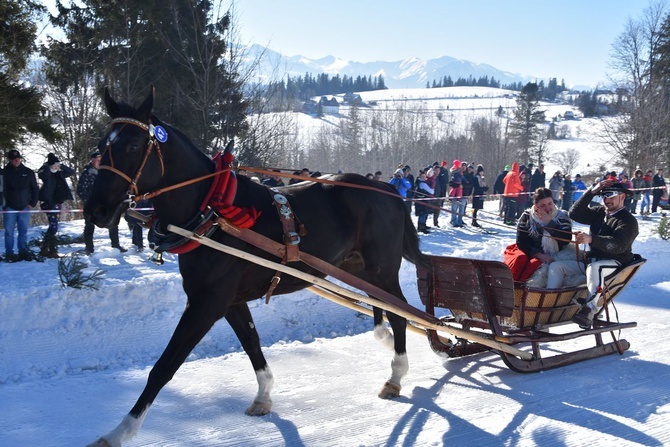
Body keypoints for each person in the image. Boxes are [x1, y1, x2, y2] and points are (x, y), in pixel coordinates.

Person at [547, 180, 639, 329]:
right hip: (591, 262)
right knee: (556, 267)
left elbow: (618, 245)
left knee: (595, 268)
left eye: (610, 195)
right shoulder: (599, 213)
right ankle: (550, 305)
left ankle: (589, 309)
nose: (606, 200)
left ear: (622, 196)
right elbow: (575, 213)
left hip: (614, 263)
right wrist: (592, 192)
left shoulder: (629, 221)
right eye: (603, 196)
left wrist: (592, 239)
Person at [505, 188, 573, 282]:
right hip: (532, 252)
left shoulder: (562, 216)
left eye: (550, 203)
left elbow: (566, 239)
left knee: (539, 266)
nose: (548, 208)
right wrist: (538, 254)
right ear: (536, 205)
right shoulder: (527, 216)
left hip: (557, 254)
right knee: (522, 262)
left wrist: (549, 223)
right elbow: (521, 241)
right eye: (543, 205)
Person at [77, 151, 127, 254]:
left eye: (101, 159)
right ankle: (89, 248)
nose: (100, 161)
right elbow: (80, 190)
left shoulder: (106, 172)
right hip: (92, 204)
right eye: (98, 159)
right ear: (92, 160)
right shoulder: (87, 173)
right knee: (89, 226)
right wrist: (90, 200)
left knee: (113, 223)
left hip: (106, 203)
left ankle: (115, 245)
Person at [2, 150, 39, 260]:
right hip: (9, 208)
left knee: (23, 231)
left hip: (24, 207)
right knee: (9, 232)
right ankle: (9, 253)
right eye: (13, 159)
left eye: (18, 158)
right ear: (9, 160)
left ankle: (22, 251)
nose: (16, 160)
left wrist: (32, 203)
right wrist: (4, 204)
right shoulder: (4, 173)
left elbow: (35, 189)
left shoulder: (28, 172)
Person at [37, 153, 75, 258]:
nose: (56, 167)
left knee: (54, 227)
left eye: (57, 165)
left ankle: (47, 247)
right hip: (49, 203)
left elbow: (71, 172)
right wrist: (47, 167)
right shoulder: (46, 173)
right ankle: (48, 248)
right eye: (54, 165)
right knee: (53, 226)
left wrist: (61, 165)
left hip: (58, 202)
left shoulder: (60, 173)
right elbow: (42, 174)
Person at [414, 169, 435, 234]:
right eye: (422, 177)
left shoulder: (417, 182)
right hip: (421, 201)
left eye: (424, 176)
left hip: (421, 200)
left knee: (423, 213)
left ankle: (423, 225)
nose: (424, 178)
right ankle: (421, 227)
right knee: (422, 214)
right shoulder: (422, 184)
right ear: (419, 176)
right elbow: (431, 191)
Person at [448, 160, 466, 227]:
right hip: (457, 192)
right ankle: (454, 221)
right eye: (462, 166)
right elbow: (451, 183)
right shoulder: (457, 173)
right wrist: (458, 185)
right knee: (454, 209)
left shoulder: (463, 174)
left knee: (461, 210)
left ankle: (459, 222)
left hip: (463, 194)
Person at [432, 160, 449, 227]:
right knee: (428, 210)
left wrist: (443, 195)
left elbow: (444, 185)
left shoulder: (441, 177)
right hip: (432, 196)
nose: (437, 171)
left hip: (439, 195)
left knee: (437, 210)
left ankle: (435, 222)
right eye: (436, 170)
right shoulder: (432, 177)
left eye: (438, 170)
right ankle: (423, 224)